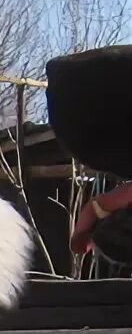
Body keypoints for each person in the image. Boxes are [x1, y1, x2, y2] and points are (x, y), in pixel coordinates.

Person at [46, 47, 132, 264]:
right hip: (74, 97)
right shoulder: (89, 144)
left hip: (79, 95)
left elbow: (100, 205)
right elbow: (98, 205)